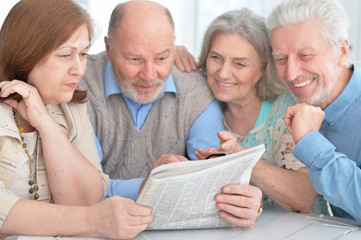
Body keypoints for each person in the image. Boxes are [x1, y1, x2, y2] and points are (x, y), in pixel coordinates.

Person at [0, 0, 152, 239]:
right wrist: (92, 220)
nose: (79, 69)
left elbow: (87, 200)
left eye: (83, 54)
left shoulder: (71, 107)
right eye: (65, 55)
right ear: (25, 54)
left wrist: (47, 126)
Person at [80, 0, 224, 201]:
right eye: (135, 59)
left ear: (173, 49)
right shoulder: (78, 84)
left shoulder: (197, 91)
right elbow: (81, 187)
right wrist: (147, 185)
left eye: (161, 58)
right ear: (109, 48)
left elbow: (215, 178)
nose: (149, 75)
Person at [187, 9, 325, 214]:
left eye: (239, 63)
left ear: (263, 68)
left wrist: (239, 157)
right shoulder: (198, 103)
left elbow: (303, 197)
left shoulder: (290, 108)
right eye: (216, 57)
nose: (223, 73)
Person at [266, 0, 361, 221]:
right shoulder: (287, 99)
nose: (290, 74)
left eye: (305, 56)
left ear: (342, 52)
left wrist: (310, 141)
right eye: (280, 58)